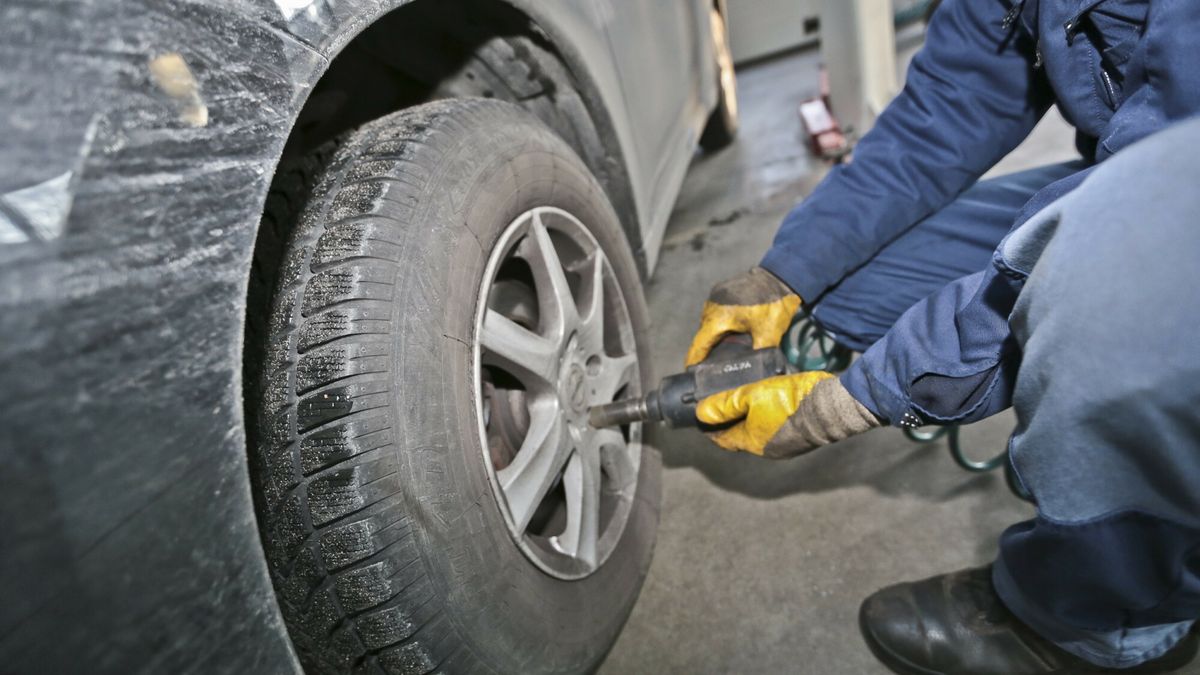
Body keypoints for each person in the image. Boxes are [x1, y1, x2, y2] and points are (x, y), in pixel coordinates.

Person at [685, 1, 1200, 672]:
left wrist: (857, 398)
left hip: (1171, 204)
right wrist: (784, 274)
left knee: (1098, 290)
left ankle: (1114, 624)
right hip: (1123, 179)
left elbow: (1151, 216)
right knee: (852, 284)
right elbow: (943, 114)